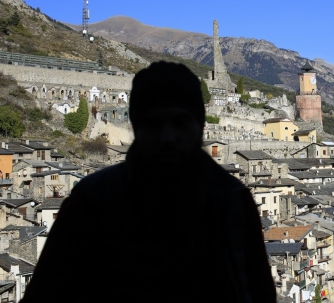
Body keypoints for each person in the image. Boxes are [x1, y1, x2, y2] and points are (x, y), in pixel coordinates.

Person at [22, 61, 276, 303]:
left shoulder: (234, 203)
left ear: (199, 126)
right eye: (154, 124)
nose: (168, 137)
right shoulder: (90, 203)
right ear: (136, 126)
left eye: (180, 122)